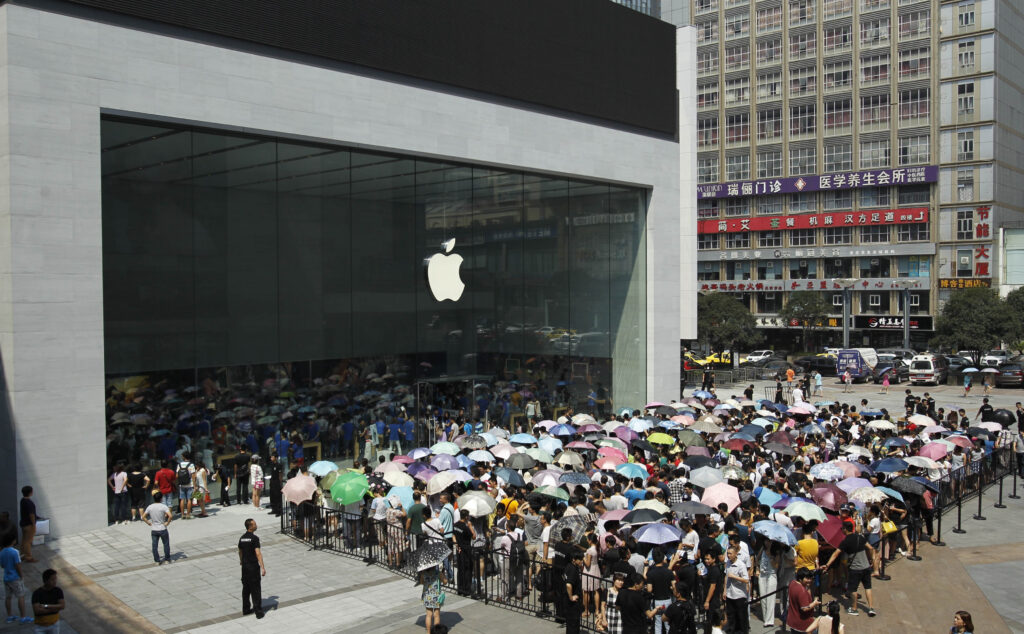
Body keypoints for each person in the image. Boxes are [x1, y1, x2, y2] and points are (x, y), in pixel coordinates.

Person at [823, 521, 876, 617]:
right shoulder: (860, 537)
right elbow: (871, 548)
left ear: (845, 529)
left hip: (855, 568)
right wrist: (871, 559)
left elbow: (836, 554)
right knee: (868, 587)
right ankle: (871, 608)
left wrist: (827, 565)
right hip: (866, 567)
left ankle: (854, 609)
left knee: (853, 589)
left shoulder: (845, 541)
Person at [2, 533, 34, 624]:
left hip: (6, 577)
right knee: (21, 596)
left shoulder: (2, 552)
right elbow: (18, 565)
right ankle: (23, 617)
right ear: (13, 541)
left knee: (8, 597)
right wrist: (21, 576)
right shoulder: (15, 552)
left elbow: (3, 565)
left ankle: (9, 616)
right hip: (15, 578)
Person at [238, 518, 266, 619]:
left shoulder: (242, 538)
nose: (256, 525)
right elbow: (258, 553)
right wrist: (262, 567)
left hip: (245, 568)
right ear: (250, 526)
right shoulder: (255, 538)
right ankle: (258, 611)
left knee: (246, 589)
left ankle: (246, 609)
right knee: (256, 589)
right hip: (253, 567)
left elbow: (240, 551)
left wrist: (241, 560)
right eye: (255, 524)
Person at [724, 546, 750, 634]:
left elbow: (746, 580)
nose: (728, 555)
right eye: (727, 553)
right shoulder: (728, 563)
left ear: (735, 554)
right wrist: (724, 590)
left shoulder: (741, 565)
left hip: (739, 595)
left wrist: (735, 577)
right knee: (731, 615)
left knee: (741, 616)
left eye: (730, 553)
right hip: (730, 593)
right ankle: (731, 630)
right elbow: (726, 576)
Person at [142, 491, 173, 565]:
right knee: (166, 544)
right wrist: (167, 523)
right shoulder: (163, 506)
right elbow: (170, 516)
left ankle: (157, 560)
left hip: (154, 529)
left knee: (154, 546)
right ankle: (167, 559)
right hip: (162, 528)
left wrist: (148, 522)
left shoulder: (150, 507)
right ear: (161, 498)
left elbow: (143, 517)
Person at [786, 568, 820, 633]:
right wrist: (814, 603)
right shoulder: (802, 591)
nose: (809, 580)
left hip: (793, 621)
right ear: (800, 579)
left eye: (810, 578)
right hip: (803, 625)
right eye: (807, 578)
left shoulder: (792, 583)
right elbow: (805, 608)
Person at [30, 569, 64, 633]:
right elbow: (37, 610)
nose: (55, 581)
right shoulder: (37, 593)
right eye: (52, 579)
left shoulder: (58, 591)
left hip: (54, 624)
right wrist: (55, 608)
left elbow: (62, 606)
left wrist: (46, 606)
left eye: (55, 579)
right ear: (45, 581)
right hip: (40, 626)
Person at [419, 562, 446, 634]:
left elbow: (421, 582)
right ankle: (436, 632)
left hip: (427, 596)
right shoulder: (438, 573)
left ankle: (428, 632)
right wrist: (443, 575)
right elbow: (445, 582)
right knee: (436, 615)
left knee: (428, 615)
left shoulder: (423, 574)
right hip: (436, 596)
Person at [563, 548, 584, 634]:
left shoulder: (569, 566)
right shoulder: (572, 570)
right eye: (580, 559)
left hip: (569, 601)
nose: (582, 561)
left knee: (571, 624)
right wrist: (571, 597)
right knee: (573, 624)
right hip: (573, 603)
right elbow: (568, 584)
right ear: (574, 560)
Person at [19, 487, 37, 563]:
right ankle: (28, 557)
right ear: (30, 492)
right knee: (28, 541)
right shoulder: (29, 502)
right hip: (29, 525)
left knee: (24, 540)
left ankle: (22, 555)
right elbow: (31, 514)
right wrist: (33, 524)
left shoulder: (22, 500)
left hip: (23, 523)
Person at [176, 453, 196, 519]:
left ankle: (182, 514)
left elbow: (176, 475)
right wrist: (195, 486)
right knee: (189, 500)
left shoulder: (179, 464)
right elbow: (193, 476)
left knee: (182, 499)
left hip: (181, 485)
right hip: (189, 484)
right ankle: (188, 514)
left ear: (184, 457)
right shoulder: (191, 465)